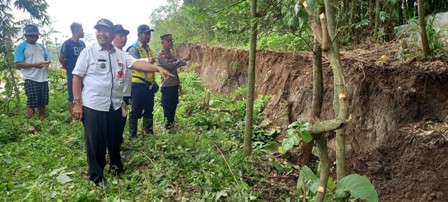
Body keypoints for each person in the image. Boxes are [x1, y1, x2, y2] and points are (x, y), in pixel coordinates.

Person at [71, 18, 174, 187]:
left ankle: (116, 166)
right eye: (99, 30)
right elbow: (77, 76)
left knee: (114, 138)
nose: (101, 33)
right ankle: (97, 176)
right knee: (96, 142)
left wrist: (158, 68)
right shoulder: (88, 52)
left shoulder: (121, 54)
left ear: (112, 34)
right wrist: (77, 103)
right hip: (93, 105)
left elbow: (137, 64)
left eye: (105, 30)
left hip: (115, 105)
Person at [126, 24, 157, 139]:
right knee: (135, 110)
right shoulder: (133, 48)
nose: (148, 36)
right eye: (146, 33)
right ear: (139, 34)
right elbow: (133, 63)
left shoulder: (148, 48)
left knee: (149, 109)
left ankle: (148, 133)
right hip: (137, 84)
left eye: (149, 34)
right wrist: (147, 61)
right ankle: (133, 135)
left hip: (148, 84)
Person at [14, 24, 51, 120]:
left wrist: (47, 62)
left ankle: (42, 118)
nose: (34, 38)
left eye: (36, 36)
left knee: (43, 101)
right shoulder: (21, 47)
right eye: (32, 36)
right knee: (32, 101)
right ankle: (32, 121)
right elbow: (18, 64)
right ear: (26, 36)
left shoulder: (41, 46)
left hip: (43, 77)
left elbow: (47, 58)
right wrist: (34, 65)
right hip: (30, 78)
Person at [157, 34, 190, 129]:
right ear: (162, 42)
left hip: (174, 84)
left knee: (174, 105)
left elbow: (174, 68)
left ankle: (171, 124)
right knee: (167, 107)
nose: (170, 43)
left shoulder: (170, 53)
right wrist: (183, 59)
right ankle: (168, 127)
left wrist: (178, 83)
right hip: (167, 86)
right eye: (167, 41)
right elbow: (170, 66)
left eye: (171, 41)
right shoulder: (161, 55)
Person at [59, 22, 86, 117]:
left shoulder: (82, 43)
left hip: (83, 75)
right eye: (82, 30)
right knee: (72, 96)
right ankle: (73, 117)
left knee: (83, 93)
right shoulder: (67, 44)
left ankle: (82, 113)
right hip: (72, 75)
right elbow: (61, 58)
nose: (83, 32)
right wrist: (68, 67)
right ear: (77, 31)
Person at [112, 24, 131, 158]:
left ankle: (118, 146)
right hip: (115, 96)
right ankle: (115, 151)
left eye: (125, 36)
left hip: (126, 94)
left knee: (121, 122)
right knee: (115, 123)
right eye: (121, 36)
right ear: (113, 36)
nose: (124, 38)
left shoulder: (125, 55)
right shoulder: (110, 54)